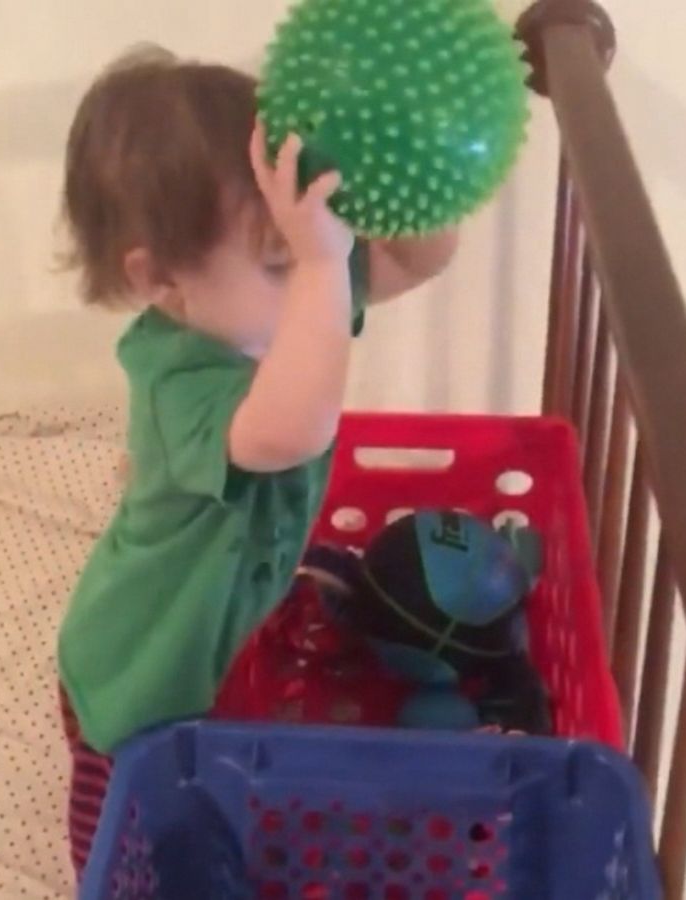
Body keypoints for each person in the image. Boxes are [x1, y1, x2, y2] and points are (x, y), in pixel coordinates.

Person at [54, 46, 458, 877]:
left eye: (312, 249)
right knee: (135, 842)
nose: (323, 273)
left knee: (222, 802)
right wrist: (314, 265)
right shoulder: (181, 381)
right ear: (163, 280)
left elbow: (422, 257)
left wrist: (399, 163)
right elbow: (292, 430)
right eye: (280, 260)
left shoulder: (288, 297)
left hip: (224, 632)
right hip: (139, 672)